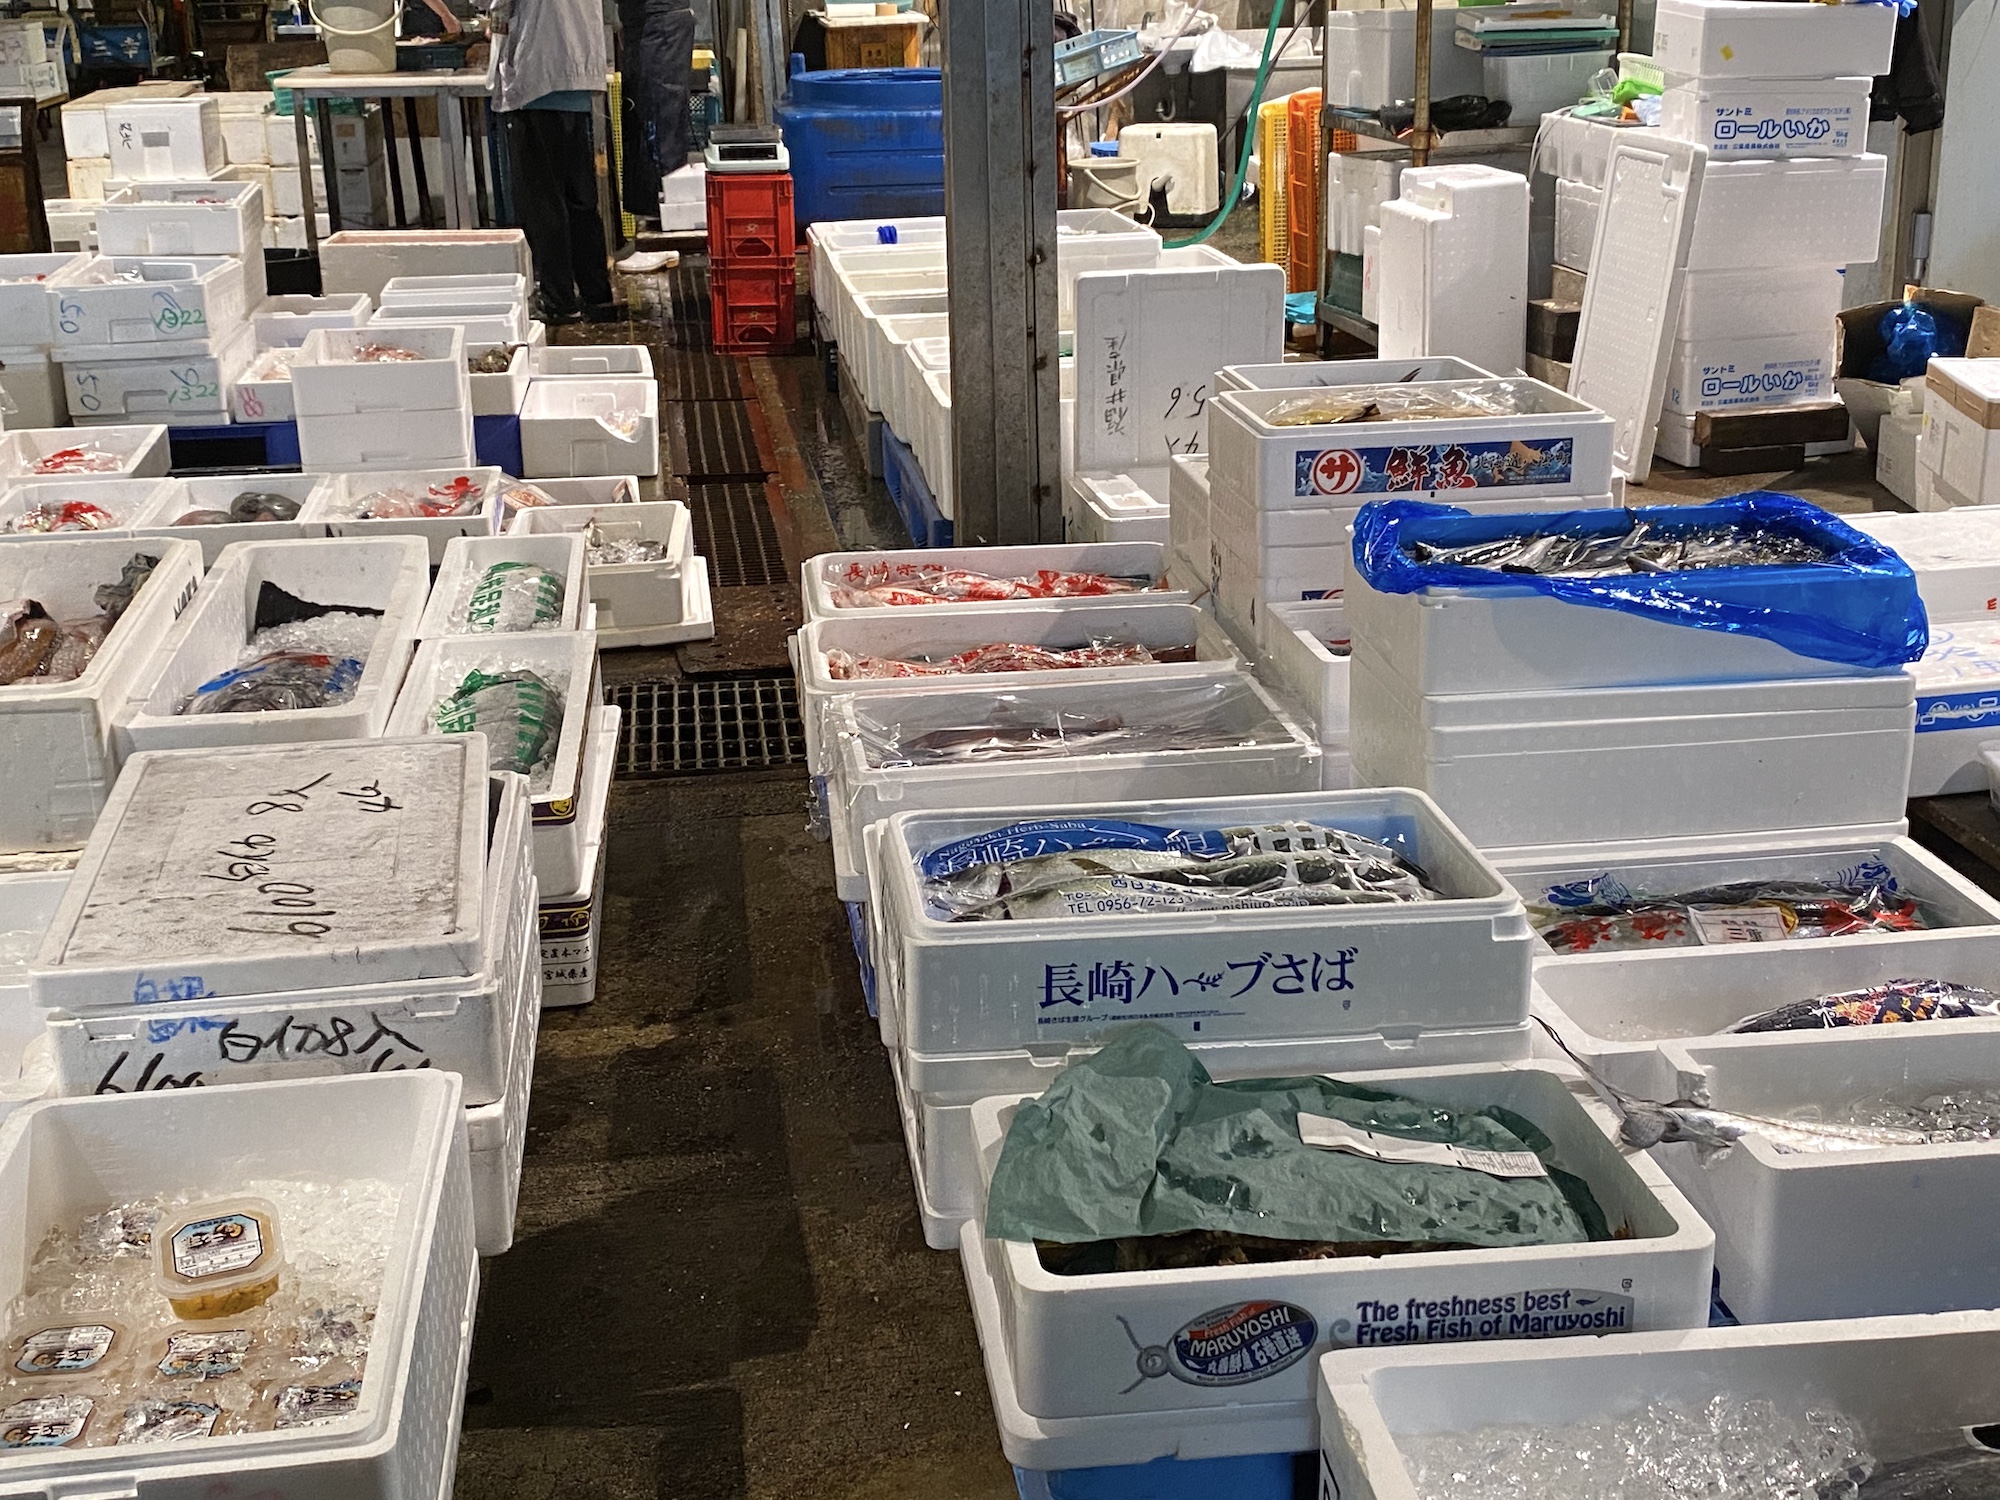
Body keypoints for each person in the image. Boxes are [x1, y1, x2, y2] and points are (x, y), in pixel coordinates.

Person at [483, 0, 619, 322]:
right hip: (577, 72)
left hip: (538, 76)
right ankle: (596, 295)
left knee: (542, 200)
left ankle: (559, 301)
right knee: (579, 198)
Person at [617, 0, 694, 219]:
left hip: (659, 23)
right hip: (646, 21)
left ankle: (666, 211)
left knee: (658, 119)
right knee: (643, 115)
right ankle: (657, 210)